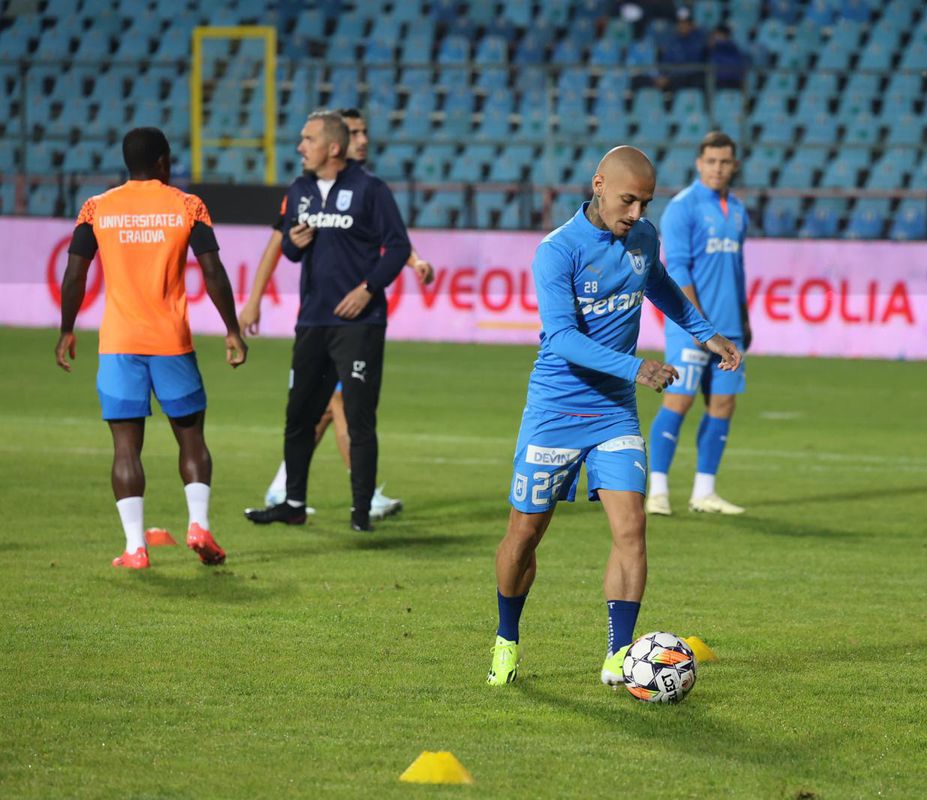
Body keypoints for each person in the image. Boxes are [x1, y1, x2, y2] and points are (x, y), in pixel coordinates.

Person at [486, 146, 741, 687]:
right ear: (599, 184)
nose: (637, 215)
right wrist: (635, 367)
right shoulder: (557, 251)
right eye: (629, 201)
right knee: (524, 537)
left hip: (613, 413)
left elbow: (662, 286)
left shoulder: (642, 237)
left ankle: (620, 656)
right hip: (555, 410)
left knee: (632, 529)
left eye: (645, 204)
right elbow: (559, 337)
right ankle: (507, 638)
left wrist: (706, 332)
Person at [55, 127, 247, 569]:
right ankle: (198, 524)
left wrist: (67, 329)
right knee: (191, 436)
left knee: (125, 450)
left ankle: (134, 547)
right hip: (171, 342)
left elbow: (75, 276)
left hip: (119, 343)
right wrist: (232, 329)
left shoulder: (96, 208)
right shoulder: (187, 205)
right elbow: (213, 272)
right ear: (163, 161)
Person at [238, 108, 434, 520]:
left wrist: (367, 290)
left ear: (331, 147)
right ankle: (292, 503)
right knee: (300, 415)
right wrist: (294, 241)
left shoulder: (371, 189)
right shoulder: (299, 189)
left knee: (358, 415)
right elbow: (291, 251)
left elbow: (397, 246)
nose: (299, 147)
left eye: (307, 140)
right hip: (312, 320)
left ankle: (362, 509)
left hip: (359, 324)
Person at [646, 131, 750, 517]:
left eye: (725, 162)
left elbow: (737, 270)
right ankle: (657, 490)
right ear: (699, 163)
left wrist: (743, 318)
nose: (718, 168)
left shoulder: (737, 210)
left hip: (731, 328)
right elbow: (680, 269)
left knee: (723, 403)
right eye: (711, 161)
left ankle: (704, 491)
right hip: (692, 327)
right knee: (680, 399)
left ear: (734, 165)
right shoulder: (682, 208)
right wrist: (699, 326)